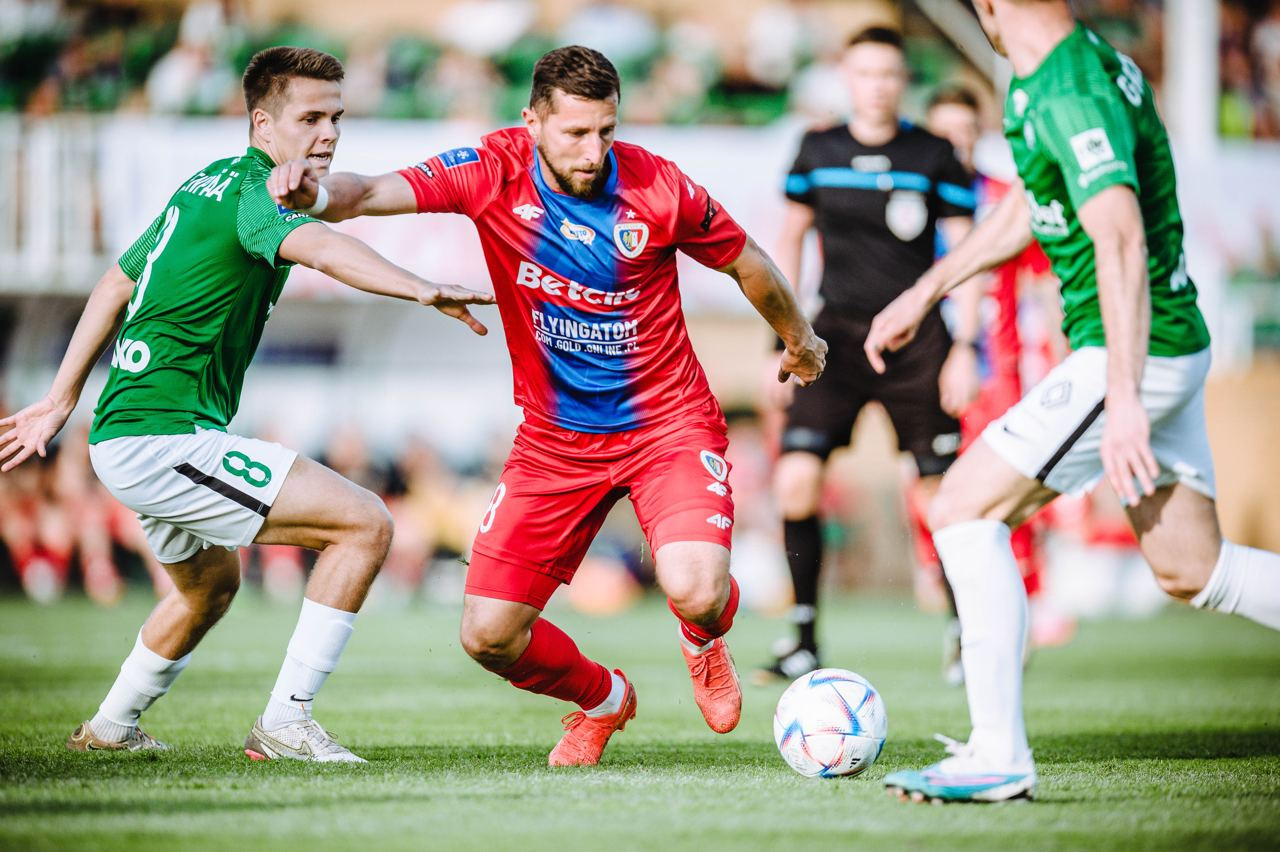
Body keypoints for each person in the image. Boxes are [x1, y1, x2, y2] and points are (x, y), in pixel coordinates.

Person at [269, 45, 827, 767]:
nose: (594, 152)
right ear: (532, 121)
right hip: (555, 440)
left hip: (667, 424)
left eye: (606, 131)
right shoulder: (490, 170)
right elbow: (371, 192)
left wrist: (799, 338)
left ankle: (702, 634)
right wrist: (312, 196)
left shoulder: (660, 187)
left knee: (695, 590)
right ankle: (604, 699)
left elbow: (747, 261)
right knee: (487, 635)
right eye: (576, 133)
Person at [0, 46, 493, 762]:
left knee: (209, 586)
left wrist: (60, 399)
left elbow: (115, 284)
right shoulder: (256, 191)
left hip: (131, 434)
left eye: (336, 118)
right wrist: (418, 286)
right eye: (310, 118)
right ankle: (286, 722)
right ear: (263, 124)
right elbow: (322, 249)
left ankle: (109, 727)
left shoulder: (204, 182)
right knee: (364, 524)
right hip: (164, 438)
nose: (328, 133)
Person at [868, 0, 1280, 803]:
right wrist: (926, 290)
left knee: (961, 508)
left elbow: (1119, 235)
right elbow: (1033, 202)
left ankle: (996, 755)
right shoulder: (1055, 70)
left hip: (1128, 350)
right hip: (1160, 342)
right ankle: (994, 751)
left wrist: (1123, 397)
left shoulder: (1066, 86)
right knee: (1194, 567)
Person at [756, 27, 979, 683]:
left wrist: (965, 346)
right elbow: (788, 243)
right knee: (796, 478)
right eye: (864, 73)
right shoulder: (816, 148)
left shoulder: (933, 153)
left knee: (939, 493)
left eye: (888, 74)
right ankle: (802, 640)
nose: (876, 86)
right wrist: (781, 338)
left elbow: (970, 256)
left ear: (903, 81)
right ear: (846, 79)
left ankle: (968, 634)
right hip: (834, 340)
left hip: (917, 341)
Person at [924, 85, 1073, 684]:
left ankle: (1019, 612)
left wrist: (1061, 359)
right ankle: (962, 622)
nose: (956, 143)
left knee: (1005, 496)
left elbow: (1044, 283)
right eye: (945, 133)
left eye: (966, 132)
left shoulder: (1005, 199)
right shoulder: (911, 194)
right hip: (924, 372)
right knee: (933, 497)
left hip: (995, 373)